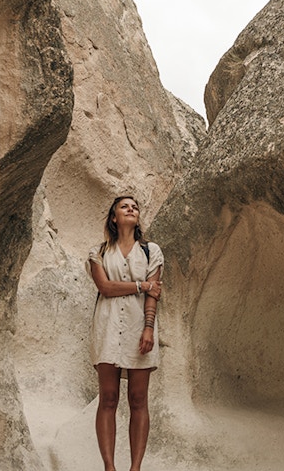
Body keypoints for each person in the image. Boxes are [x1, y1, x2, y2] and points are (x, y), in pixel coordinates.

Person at [88, 195, 164, 471]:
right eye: (124, 206)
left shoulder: (151, 251)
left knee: (138, 399)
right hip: (107, 328)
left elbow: (153, 293)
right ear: (113, 217)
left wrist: (148, 328)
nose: (131, 209)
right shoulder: (97, 253)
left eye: (135, 207)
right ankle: (109, 467)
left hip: (138, 328)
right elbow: (105, 288)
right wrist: (141, 286)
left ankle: (135, 468)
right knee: (108, 397)